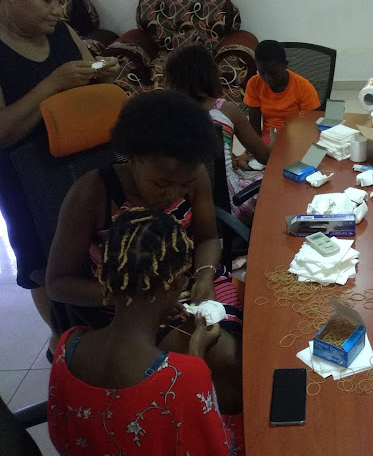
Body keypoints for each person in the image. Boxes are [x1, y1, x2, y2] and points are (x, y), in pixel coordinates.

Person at [46, 90, 244, 416]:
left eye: (186, 184)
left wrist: (204, 276)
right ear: (133, 157)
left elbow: (208, 238)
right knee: (221, 359)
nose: (176, 194)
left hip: (190, 282)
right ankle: (205, 431)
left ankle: (222, 426)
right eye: (163, 183)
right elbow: (58, 283)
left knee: (240, 357)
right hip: (125, 303)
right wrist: (139, 299)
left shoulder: (188, 176)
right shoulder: (91, 194)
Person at [0, 0, 118, 338]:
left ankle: (102, 334)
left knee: (91, 253)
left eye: (61, 0)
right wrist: (52, 85)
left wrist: (105, 78)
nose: (57, 11)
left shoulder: (64, 34)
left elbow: (91, 92)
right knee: (44, 268)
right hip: (26, 182)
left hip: (83, 166)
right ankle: (64, 340)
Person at [48, 208, 236, 455]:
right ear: (176, 282)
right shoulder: (185, 374)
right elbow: (215, 448)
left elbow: (61, 438)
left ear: (106, 276)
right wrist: (196, 351)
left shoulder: (67, 345)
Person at [165, 42, 270, 224]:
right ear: (210, 73)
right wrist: (277, 142)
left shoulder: (163, 113)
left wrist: (235, 160)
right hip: (229, 203)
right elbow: (264, 157)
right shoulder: (225, 110)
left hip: (182, 207)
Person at [243, 39, 320, 143]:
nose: (267, 79)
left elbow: (310, 127)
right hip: (268, 137)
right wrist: (255, 149)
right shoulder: (254, 84)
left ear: (285, 65)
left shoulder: (304, 87)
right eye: (262, 73)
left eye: (273, 73)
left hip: (296, 137)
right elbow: (255, 128)